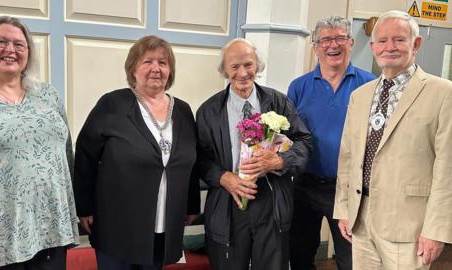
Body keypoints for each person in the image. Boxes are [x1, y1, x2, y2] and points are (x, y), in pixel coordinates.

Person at [334, 10, 452, 269]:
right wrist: (344, 209)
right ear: (373, 46)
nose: (390, 47)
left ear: (416, 44)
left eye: (399, 39)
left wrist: (436, 230)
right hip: (361, 220)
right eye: (383, 41)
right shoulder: (360, 95)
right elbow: (348, 157)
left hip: (409, 227)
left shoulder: (443, 93)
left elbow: (447, 169)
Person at [73, 35, 200, 270]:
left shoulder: (182, 110)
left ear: (170, 71)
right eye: (147, 62)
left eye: (162, 63)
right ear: (133, 70)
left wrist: (191, 205)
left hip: (163, 222)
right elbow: (85, 157)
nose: (155, 69)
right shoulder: (112, 104)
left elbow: (192, 160)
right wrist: (84, 207)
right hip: (117, 222)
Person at [196, 38, 312, 270]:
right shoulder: (208, 111)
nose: (242, 73)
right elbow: (199, 158)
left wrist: (280, 161)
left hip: (272, 202)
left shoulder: (279, 101)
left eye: (248, 65)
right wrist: (223, 177)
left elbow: (304, 141)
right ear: (224, 70)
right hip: (229, 201)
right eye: (234, 66)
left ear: (257, 67)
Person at [0, 16, 79, 269]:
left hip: (51, 230)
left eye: (19, 45)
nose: (10, 50)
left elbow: (66, 155)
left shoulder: (47, 94)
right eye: (1, 42)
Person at [287, 16, 375, 270]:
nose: (332, 45)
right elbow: (288, 137)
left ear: (351, 42)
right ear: (315, 46)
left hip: (350, 189)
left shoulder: (370, 84)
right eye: (325, 39)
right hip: (305, 185)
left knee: (351, 259)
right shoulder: (298, 87)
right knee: (300, 254)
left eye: (339, 38)